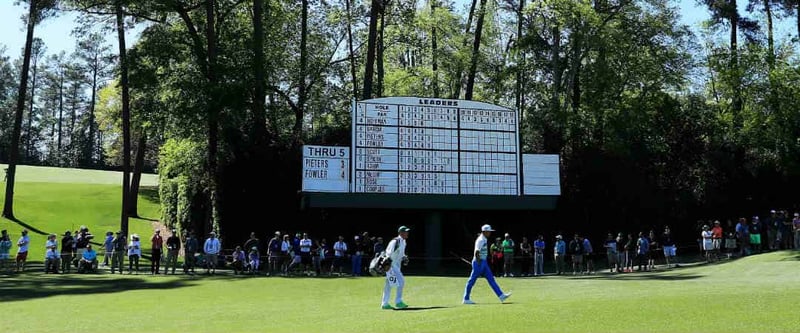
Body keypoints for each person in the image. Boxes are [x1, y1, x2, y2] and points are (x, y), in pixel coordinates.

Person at [463, 224, 512, 305]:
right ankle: (466, 298)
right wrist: (479, 263)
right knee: (471, 281)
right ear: (484, 232)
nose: (490, 233)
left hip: (483, 262)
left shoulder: (484, 239)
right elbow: (477, 252)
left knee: (491, 279)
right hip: (479, 262)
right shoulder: (481, 240)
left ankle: (501, 295)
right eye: (489, 231)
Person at [381, 226, 411, 310]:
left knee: (388, 285)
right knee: (401, 281)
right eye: (405, 232)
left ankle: (384, 304)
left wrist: (404, 257)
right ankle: (398, 302)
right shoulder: (395, 241)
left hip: (396, 266)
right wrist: (387, 266)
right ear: (401, 233)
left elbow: (401, 254)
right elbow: (388, 253)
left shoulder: (404, 242)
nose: (407, 233)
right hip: (391, 266)